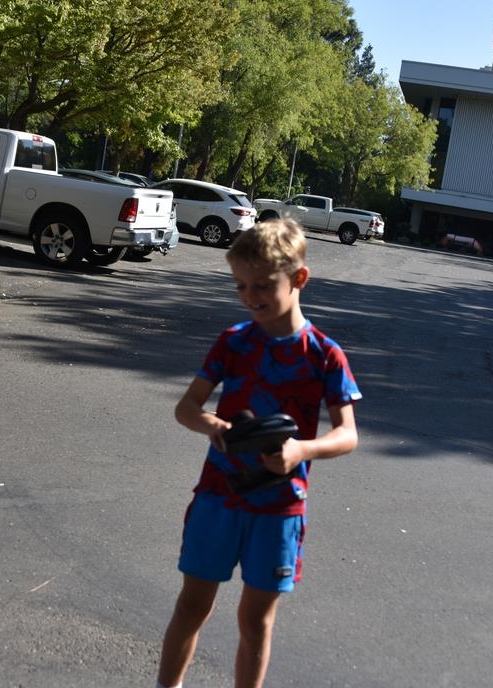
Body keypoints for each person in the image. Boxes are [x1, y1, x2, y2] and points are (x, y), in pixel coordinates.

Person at [156, 219, 362, 688]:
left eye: (264, 285)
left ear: (299, 278)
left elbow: (347, 434)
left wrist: (301, 449)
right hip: (218, 496)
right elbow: (187, 407)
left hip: (279, 507)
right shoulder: (234, 341)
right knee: (192, 607)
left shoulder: (324, 354)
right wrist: (210, 423)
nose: (251, 296)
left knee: (255, 621)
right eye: (241, 286)